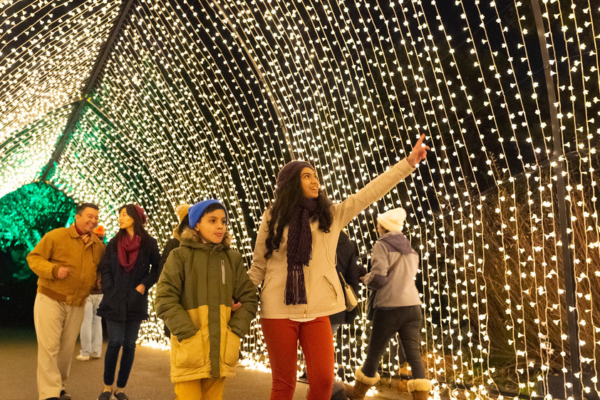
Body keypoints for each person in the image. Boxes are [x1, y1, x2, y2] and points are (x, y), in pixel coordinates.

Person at [248, 134, 429, 400]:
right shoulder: (272, 216)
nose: (314, 180)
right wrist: (238, 296)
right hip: (278, 308)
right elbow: (258, 265)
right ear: (290, 184)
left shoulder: (331, 215)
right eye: (306, 176)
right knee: (283, 384)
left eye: (315, 175)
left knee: (323, 381)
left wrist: (408, 164)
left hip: (320, 307)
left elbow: (370, 192)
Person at [155, 199, 258, 400]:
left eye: (223, 221)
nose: (220, 226)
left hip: (220, 351)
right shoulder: (179, 256)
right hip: (189, 351)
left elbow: (249, 299)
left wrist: (235, 331)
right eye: (212, 220)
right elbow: (164, 299)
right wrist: (188, 334)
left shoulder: (232, 258)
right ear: (196, 224)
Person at [344, 208, 431, 400]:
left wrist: (365, 278)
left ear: (383, 226)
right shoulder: (410, 249)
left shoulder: (381, 245)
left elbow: (379, 279)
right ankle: (421, 398)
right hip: (413, 307)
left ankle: (357, 393)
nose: (376, 227)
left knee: (374, 353)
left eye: (378, 224)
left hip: (390, 308)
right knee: (414, 355)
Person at [27, 203, 104, 400]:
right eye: (89, 216)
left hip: (78, 303)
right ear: (77, 217)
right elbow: (34, 258)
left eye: (96, 217)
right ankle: (49, 394)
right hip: (50, 299)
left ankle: (59, 386)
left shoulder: (98, 246)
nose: (93, 220)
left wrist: (99, 281)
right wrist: (53, 270)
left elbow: (100, 271)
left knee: (66, 350)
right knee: (49, 347)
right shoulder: (57, 236)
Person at [96, 205, 160, 400]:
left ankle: (121, 388)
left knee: (130, 344)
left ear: (135, 217)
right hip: (114, 298)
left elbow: (157, 268)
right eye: (120, 215)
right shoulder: (114, 242)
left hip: (135, 299)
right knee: (115, 342)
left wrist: (143, 285)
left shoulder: (149, 243)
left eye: (125, 215)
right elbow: (105, 267)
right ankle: (107, 386)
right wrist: (108, 288)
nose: (121, 218)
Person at [77, 225, 107, 361]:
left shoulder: (90, 248)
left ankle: (85, 352)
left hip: (88, 289)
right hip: (101, 290)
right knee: (97, 320)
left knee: (86, 321)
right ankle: (97, 351)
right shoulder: (106, 249)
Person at [329, 230, 360, 336]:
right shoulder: (347, 244)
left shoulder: (313, 239)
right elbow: (352, 279)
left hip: (311, 305)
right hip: (337, 306)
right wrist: (351, 313)